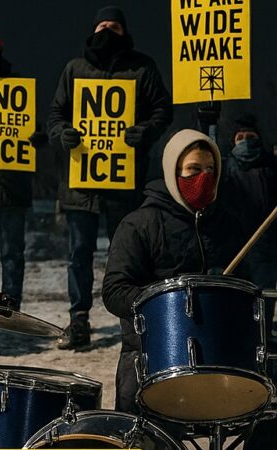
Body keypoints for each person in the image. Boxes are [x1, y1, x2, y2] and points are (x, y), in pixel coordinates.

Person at [47, 5, 172, 350]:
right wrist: (64, 135)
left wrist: (144, 132)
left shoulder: (142, 68)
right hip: (81, 184)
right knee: (79, 254)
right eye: (101, 25)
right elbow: (54, 116)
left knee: (128, 256)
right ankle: (79, 321)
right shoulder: (75, 69)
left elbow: (164, 109)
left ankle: (134, 322)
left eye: (113, 27)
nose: (106, 31)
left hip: (123, 182)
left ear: (124, 31)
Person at [102, 129, 243, 415]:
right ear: (172, 171)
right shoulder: (139, 224)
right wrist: (168, 305)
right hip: (149, 355)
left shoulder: (228, 224)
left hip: (218, 355)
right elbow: (114, 291)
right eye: (193, 169)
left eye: (211, 170)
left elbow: (250, 283)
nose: (204, 178)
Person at [0, 28, 47, 311]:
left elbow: (32, 127)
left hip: (12, 185)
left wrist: (38, 136)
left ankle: (9, 306)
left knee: (12, 252)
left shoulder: (18, 89)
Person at [219, 114, 277, 344]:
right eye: (240, 138)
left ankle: (262, 343)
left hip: (266, 246)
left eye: (250, 137)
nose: (245, 142)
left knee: (264, 302)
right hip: (236, 248)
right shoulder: (226, 168)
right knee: (238, 301)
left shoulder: (270, 167)